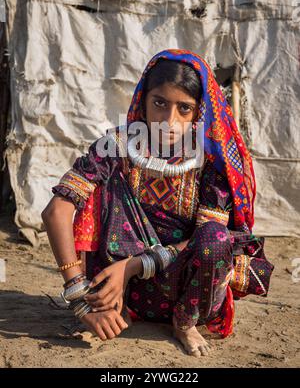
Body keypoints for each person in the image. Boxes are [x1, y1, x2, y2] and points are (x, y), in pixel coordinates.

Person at [41, 49, 274, 357]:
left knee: (217, 236)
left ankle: (183, 324)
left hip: (187, 292)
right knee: (95, 186)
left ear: (199, 112)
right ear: (143, 100)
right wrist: (80, 299)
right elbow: (56, 210)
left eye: (184, 109)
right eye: (160, 103)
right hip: (119, 289)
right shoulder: (116, 148)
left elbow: (205, 243)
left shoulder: (210, 164)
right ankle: (108, 307)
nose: (169, 120)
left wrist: (134, 265)